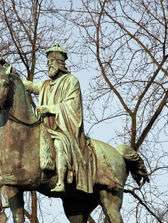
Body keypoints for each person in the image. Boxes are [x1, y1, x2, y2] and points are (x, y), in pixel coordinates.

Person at [23, 43, 117, 193]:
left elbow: (73, 105)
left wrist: (49, 108)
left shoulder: (71, 81)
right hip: (45, 127)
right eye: (48, 63)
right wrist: (11, 74)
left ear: (60, 64)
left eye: (51, 62)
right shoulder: (46, 84)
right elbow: (30, 86)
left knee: (59, 145)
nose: (48, 66)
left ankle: (60, 181)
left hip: (62, 128)